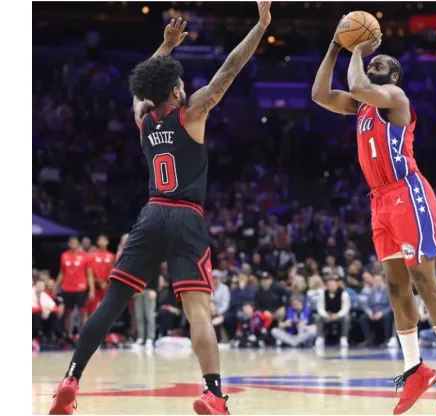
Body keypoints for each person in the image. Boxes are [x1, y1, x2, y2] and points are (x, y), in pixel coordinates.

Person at [49, 5, 272, 415]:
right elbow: (229, 69)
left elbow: (139, 90)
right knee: (197, 310)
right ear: (174, 92)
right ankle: (213, 394)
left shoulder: (144, 119)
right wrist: (260, 27)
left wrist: (166, 48)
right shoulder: (193, 113)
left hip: (151, 213)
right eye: (180, 83)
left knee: (112, 301)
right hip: (186, 215)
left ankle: (71, 378)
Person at [311, 21, 436, 415]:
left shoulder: (394, 97)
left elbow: (359, 86)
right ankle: (415, 368)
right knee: (396, 287)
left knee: (423, 278)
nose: (374, 65)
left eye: (381, 63)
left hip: (408, 192)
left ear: (394, 75)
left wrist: (358, 49)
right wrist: (336, 45)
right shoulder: (361, 105)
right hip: (379, 201)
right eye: (372, 61)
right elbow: (319, 94)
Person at [55, 236, 95, 336]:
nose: (73, 244)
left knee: (83, 312)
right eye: (71, 242)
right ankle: (69, 336)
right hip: (67, 288)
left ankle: (85, 335)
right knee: (67, 313)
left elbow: (89, 274)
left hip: (81, 288)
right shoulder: (64, 255)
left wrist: (92, 290)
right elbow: (61, 272)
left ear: (79, 243)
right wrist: (56, 285)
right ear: (69, 244)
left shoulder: (86, 256)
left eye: (75, 242)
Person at [315, 277, 351, 347]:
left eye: (333, 285)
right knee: (318, 317)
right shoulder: (322, 294)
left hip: (339, 315)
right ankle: (320, 337)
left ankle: (344, 338)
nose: (331, 286)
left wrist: (337, 315)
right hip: (327, 315)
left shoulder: (344, 294)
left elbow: (346, 309)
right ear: (327, 286)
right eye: (330, 285)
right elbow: (320, 308)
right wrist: (326, 315)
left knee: (346, 317)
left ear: (337, 285)